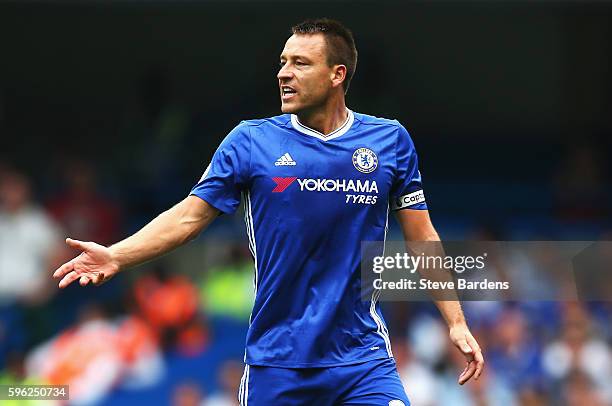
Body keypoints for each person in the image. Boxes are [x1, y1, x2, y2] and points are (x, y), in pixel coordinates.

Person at [53, 18, 484, 405]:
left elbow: (422, 237)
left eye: (299, 63)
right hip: (277, 365)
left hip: (362, 361)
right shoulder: (250, 142)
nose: (283, 73)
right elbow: (188, 218)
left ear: (338, 75)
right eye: (282, 62)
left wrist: (456, 323)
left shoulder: (389, 140)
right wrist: (117, 255)